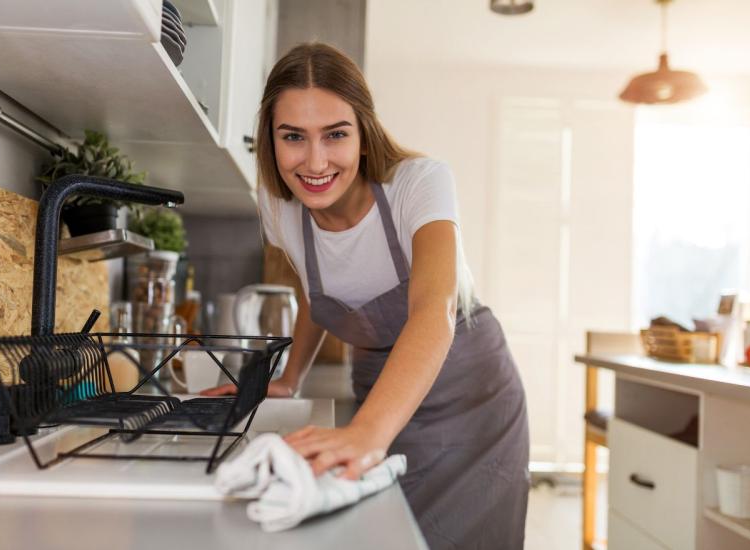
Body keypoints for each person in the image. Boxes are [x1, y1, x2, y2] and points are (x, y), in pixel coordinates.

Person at [202, 42, 530, 549]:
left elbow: (434, 308)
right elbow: (318, 292)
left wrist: (368, 433)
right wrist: (290, 378)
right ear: (270, 138)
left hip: (472, 397)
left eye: (335, 135)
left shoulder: (418, 184)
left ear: (363, 131)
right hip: (381, 389)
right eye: (293, 137)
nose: (315, 161)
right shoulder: (278, 205)